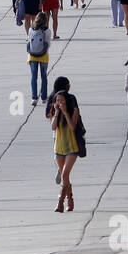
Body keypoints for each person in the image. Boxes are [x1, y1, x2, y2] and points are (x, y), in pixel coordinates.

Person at [47, 76, 84, 213]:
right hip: (59, 147)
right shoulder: (55, 112)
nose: (59, 102)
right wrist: (57, 112)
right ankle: (71, 200)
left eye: (62, 100)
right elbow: (53, 127)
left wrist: (65, 112)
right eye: (57, 100)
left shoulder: (73, 111)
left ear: (66, 101)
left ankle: (60, 203)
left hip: (71, 147)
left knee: (64, 175)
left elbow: (72, 127)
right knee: (65, 176)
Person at [26, 11, 50, 105]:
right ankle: (44, 97)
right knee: (43, 76)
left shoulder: (31, 30)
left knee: (33, 77)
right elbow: (48, 43)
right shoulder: (47, 31)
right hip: (43, 56)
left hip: (32, 56)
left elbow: (29, 40)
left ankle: (34, 98)